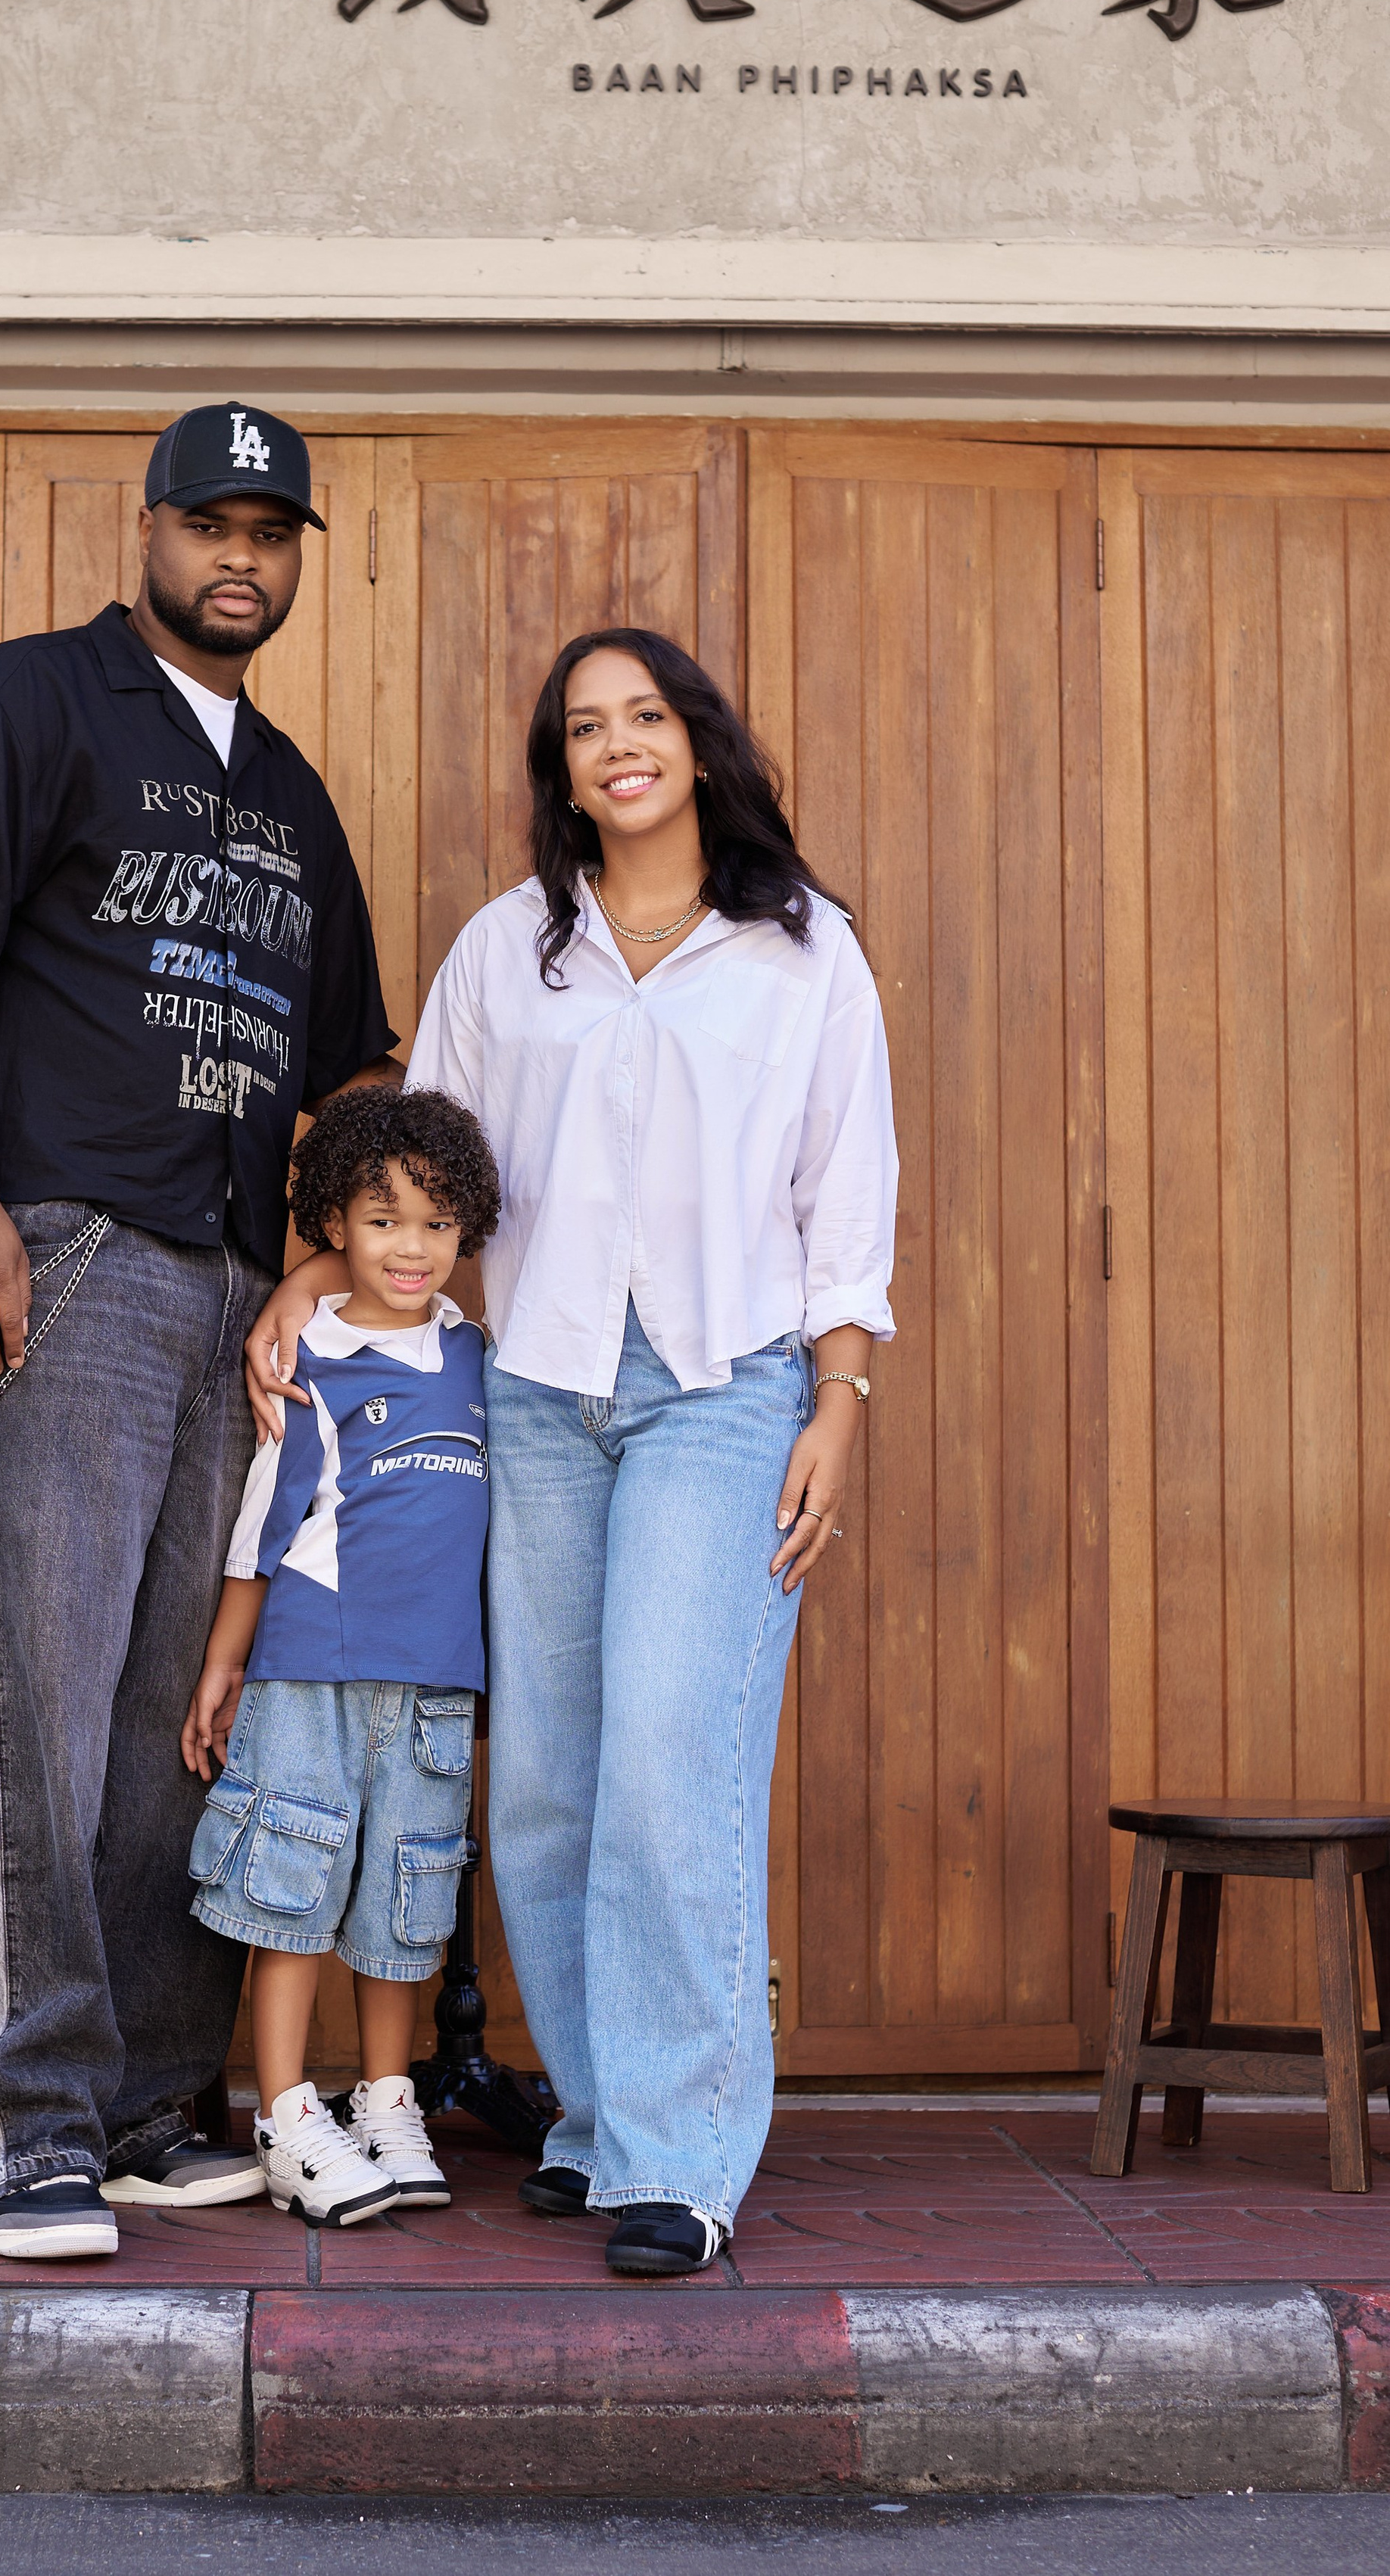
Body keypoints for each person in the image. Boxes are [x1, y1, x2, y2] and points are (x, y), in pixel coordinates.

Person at [247, 628, 896, 2279]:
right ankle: (602, 2121)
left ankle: (683, 2156)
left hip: (721, 1387)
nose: (617, 747)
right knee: (542, 1781)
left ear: (696, 743)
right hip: (529, 1392)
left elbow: (845, 1192)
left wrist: (837, 1397)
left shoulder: (801, 952)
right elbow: (423, 1156)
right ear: (562, 769)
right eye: (583, 729)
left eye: (644, 718)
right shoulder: (505, 949)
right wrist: (316, 1272)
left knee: (670, 1763)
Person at [0, 403, 399, 2260]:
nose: (239, 554)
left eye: (273, 528)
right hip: (61, 1259)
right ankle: (12, 2118)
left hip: (236, 1289)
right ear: (147, 528)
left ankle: (148, 2096)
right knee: (32, 1692)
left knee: (180, 1715)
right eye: (208, 520)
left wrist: (322, 1274)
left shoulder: (291, 800)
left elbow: (348, 1069)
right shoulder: (28, 704)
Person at [182, 1085, 498, 2228]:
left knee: (407, 1896)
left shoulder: (481, 1355)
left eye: (435, 1225)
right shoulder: (308, 1353)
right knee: (294, 1888)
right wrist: (225, 1665)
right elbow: (267, 1518)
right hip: (310, 1668)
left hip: (433, 1682)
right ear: (334, 1228)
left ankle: (386, 2099)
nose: (410, 1249)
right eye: (380, 1221)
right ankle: (288, 2116)